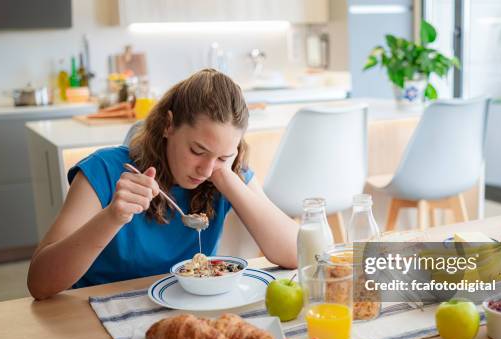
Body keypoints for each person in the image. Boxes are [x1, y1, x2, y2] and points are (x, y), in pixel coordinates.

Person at [27, 69, 298, 300]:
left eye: (223, 156)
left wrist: (229, 179)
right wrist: (112, 217)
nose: (205, 169)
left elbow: (296, 254)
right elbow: (39, 283)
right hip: (96, 314)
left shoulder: (223, 174)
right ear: (169, 125)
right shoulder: (104, 170)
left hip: (182, 314)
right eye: (197, 150)